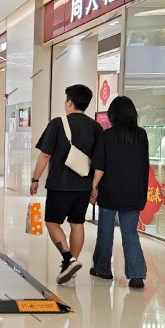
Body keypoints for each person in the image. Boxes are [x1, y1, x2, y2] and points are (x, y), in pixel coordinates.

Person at [30, 84, 102, 285]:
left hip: (59, 185)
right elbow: (99, 160)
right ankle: (71, 265)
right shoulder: (95, 127)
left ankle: (68, 259)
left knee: (52, 222)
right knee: (77, 224)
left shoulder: (57, 123)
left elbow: (45, 155)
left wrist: (35, 179)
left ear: (69, 102)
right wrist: (95, 185)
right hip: (84, 185)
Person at [89, 96, 149, 289]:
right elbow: (143, 164)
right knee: (130, 232)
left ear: (113, 115)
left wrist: (94, 186)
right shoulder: (141, 135)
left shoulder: (108, 135)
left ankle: (103, 269)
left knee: (105, 231)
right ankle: (137, 274)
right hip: (133, 191)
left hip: (110, 190)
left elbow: (100, 165)